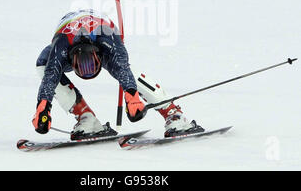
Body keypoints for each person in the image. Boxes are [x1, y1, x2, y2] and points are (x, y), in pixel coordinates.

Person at [32, 9, 203, 139]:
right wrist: (43, 106)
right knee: (44, 64)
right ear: (70, 59)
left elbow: (122, 69)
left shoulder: (108, 44)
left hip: (101, 32)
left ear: (99, 58)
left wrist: (131, 95)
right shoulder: (61, 47)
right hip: (68, 33)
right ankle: (86, 118)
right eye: (82, 67)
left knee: (124, 70)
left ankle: (173, 113)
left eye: (91, 65)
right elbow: (50, 76)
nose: (87, 69)